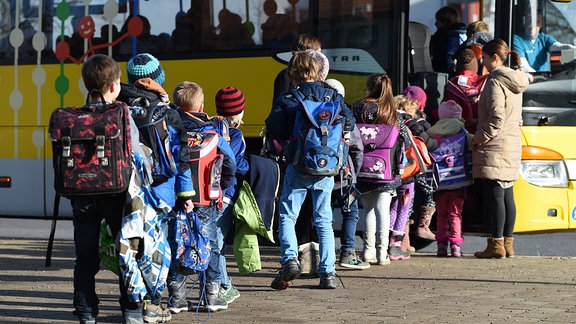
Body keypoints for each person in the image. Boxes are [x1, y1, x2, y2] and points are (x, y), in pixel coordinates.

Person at [116, 52, 195, 323]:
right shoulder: (168, 113)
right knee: (155, 249)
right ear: (158, 79)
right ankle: (153, 304)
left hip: (125, 190)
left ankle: (131, 306)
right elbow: (181, 158)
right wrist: (185, 193)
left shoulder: (118, 108)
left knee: (128, 247)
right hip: (159, 192)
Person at [265, 49, 354, 289]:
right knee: (323, 219)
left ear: (293, 73)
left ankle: (290, 260)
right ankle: (328, 273)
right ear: (318, 72)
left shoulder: (289, 99)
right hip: (328, 167)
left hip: (298, 164)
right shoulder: (333, 97)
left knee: (287, 215)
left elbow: (274, 128)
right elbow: (349, 121)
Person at [72, 54, 146, 324]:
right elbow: (136, 154)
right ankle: (132, 308)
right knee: (126, 250)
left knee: (85, 256)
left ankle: (85, 309)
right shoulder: (122, 114)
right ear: (115, 86)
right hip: (116, 195)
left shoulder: (73, 117)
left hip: (82, 196)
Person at [168, 81, 237, 312]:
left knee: (177, 242)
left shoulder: (170, 131)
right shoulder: (212, 134)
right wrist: (221, 188)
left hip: (176, 199)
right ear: (201, 105)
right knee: (210, 245)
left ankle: (176, 297)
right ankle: (211, 295)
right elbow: (230, 164)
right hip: (206, 200)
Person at [472, 39, 530, 258]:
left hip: (495, 145)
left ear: (494, 58)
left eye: (485, 58)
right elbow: (516, 116)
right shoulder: (516, 79)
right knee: (507, 194)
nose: (483, 62)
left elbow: (496, 117)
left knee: (495, 194)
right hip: (511, 142)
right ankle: (507, 244)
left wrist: (478, 138)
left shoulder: (496, 80)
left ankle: (495, 245)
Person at [353, 73, 409, 265]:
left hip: (362, 167)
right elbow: (406, 140)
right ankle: (382, 254)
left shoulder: (358, 108)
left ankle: (367, 252)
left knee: (367, 210)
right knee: (382, 210)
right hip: (386, 169)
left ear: (368, 88)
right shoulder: (391, 112)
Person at [324, 78, 369, 270]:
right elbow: (357, 150)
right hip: (344, 177)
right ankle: (347, 252)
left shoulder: (314, 114)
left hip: (321, 176)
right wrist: (354, 173)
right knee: (351, 212)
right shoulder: (347, 119)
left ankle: (321, 254)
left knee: (322, 215)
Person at [214, 86, 250, 302]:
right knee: (218, 241)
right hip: (225, 194)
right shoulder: (235, 135)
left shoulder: (209, 128)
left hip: (207, 193)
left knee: (213, 239)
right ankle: (222, 284)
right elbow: (237, 164)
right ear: (240, 113)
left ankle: (217, 282)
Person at [427, 100, 470, 257]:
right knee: (455, 214)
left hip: (439, 182)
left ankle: (441, 246)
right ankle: (455, 247)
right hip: (459, 181)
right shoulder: (463, 133)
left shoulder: (433, 133)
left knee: (442, 214)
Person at [401, 86, 438, 243]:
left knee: (406, 201)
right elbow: (430, 143)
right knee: (431, 191)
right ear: (420, 105)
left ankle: (404, 239)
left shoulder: (396, 119)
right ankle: (424, 226)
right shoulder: (420, 123)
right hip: (419, 168)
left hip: (403, 167)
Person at [430, 6, 467, 77]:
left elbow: (438, 61)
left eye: (438, 20)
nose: (435, 24)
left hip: (443, 75)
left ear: (445, 21)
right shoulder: (461, 34)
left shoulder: (441, 37)